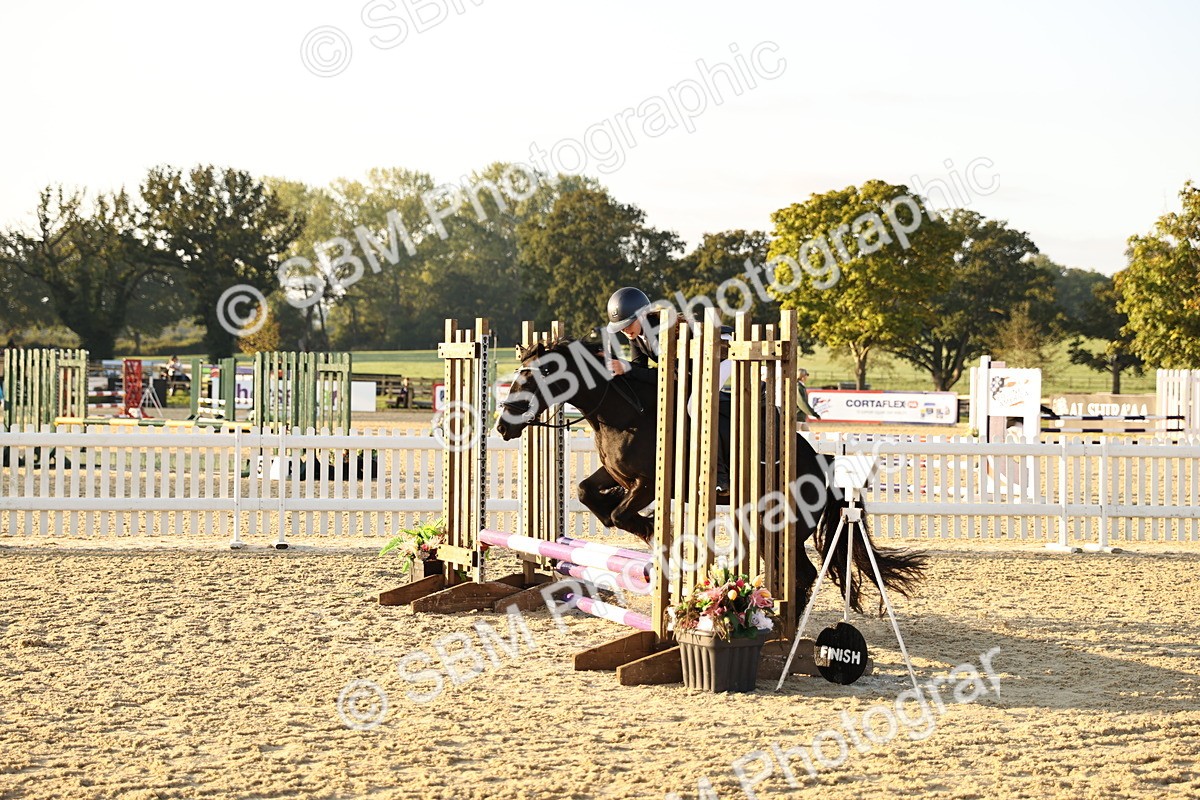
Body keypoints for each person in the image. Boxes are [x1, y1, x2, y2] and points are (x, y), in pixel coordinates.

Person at [605, 287, 733, 497]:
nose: (625, 330)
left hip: (724, 351)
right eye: (621, 327)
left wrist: (626, 368)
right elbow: (641, 369)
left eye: (628, 324)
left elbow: (670, 376)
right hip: (697, 361)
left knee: (696, 406)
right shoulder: (636, 335)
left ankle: (720, 476)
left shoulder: (661, 331)